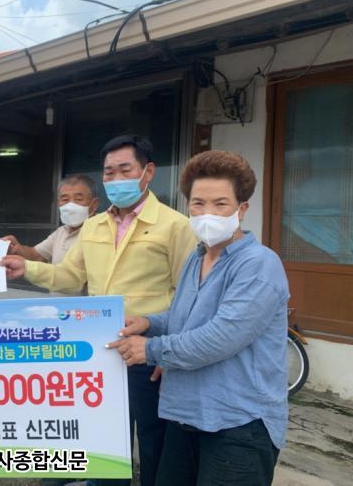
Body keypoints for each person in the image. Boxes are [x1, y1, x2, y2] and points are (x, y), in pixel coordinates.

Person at [1, 135, 198, 486]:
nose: (116, 179)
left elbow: (188, 295)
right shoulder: (93, 227)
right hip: (100, 350)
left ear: (148, 172)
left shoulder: (175, 225)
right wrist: (26, 268)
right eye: (109, 172)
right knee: (106, 438)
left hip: (148, 350)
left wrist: (171, 353)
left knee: (153, 438)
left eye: (125, 170)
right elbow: (70, 277)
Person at [109, 150, 289, 486]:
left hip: (238, 424)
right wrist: (149, 323)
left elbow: (220, 338)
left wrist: (149, 349)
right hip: (186, 415)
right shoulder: (197, 258)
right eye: (198, 204)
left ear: (242, 209)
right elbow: (186, 317)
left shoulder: (259, 264)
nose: (207, 213)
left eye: (220, 204)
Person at [2, 174, 99, 265]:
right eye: (65, 200)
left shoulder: (101, 232)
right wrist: (16, 247)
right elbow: (36, 255)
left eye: (78, 199)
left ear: (94, 205)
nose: (70, 205)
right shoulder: (61, 232)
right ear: (58, 203)